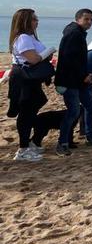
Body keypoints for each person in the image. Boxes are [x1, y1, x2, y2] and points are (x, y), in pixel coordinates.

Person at [54, 9, 92, 155]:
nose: (90, 22)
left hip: (80, 79)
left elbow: (78, 59)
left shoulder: (78, 33)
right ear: (78, 19)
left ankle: (90, 137)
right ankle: (62, 143)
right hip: (70, 80)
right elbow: (67, 59)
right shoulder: (74, 34)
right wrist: (82, 76)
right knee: (73, 111)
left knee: (90, 105)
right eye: (86, 19)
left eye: (91, 19)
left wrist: (86, 75)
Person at [7, 9, 54, 161]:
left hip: (28, 78)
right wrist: (46, 53)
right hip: (24, 79)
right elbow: (33, 59)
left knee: (34, 105)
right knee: (26, 112)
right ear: (25, 21)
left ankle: (27, 144)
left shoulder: (28, 37)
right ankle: (23, 149)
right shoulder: (23, 38)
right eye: (34, 19)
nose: (37, 21)